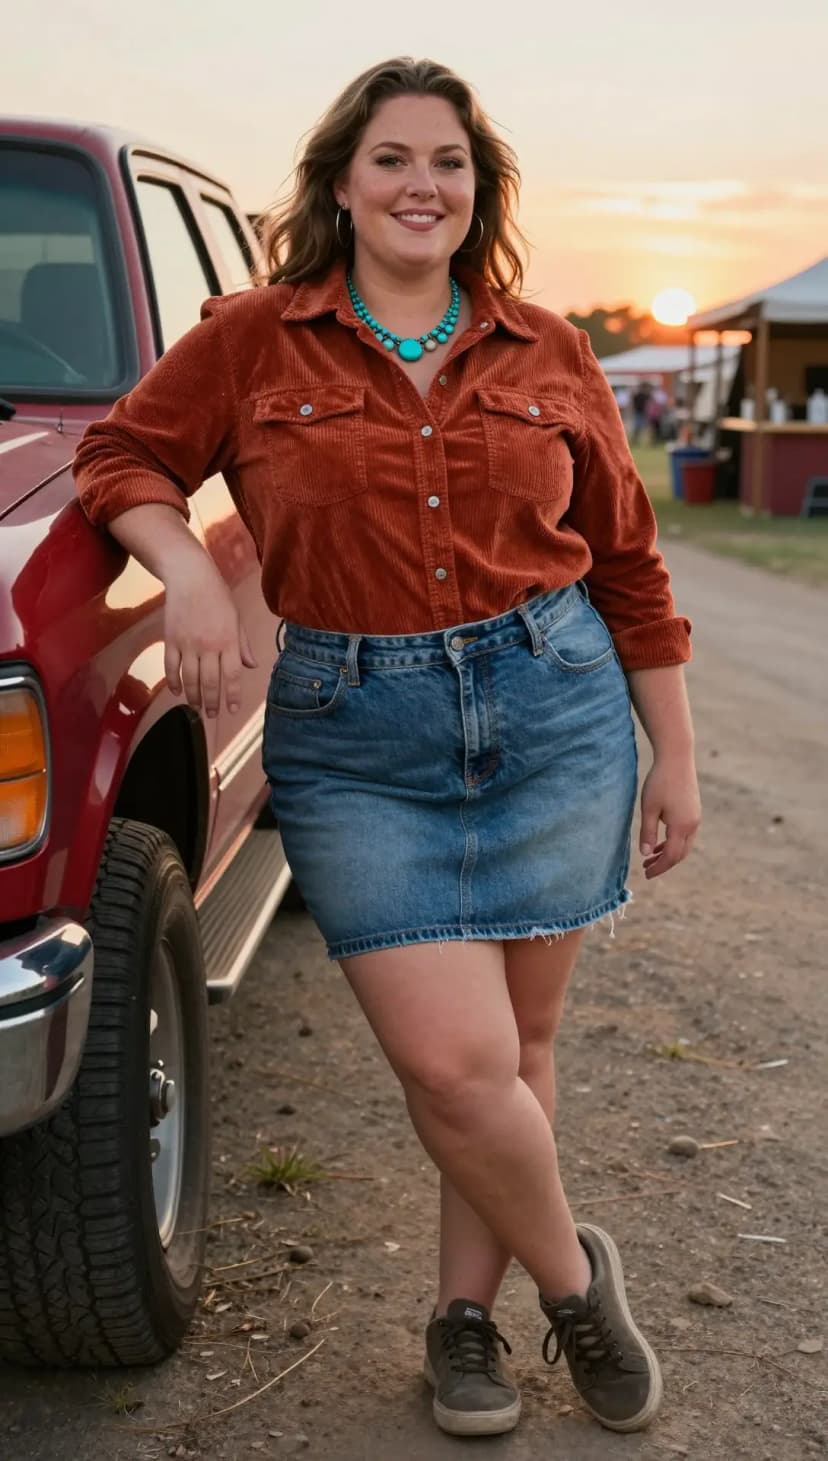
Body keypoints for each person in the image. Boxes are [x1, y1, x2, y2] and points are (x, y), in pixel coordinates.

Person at [73, 57, 700, 1441]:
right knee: (452, 1063)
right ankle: (575, 1280)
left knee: (518, 1045)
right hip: (357, 739)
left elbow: (633, 565)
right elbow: (124, 459)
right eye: (394, 160)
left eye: (450, 163)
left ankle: (462, 1321)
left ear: (479, 193)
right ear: (342, 185)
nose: (424, 185)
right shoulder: (251, 340)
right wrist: (177, 561)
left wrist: (676, 754)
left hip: (552, 708)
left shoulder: (550, 347)